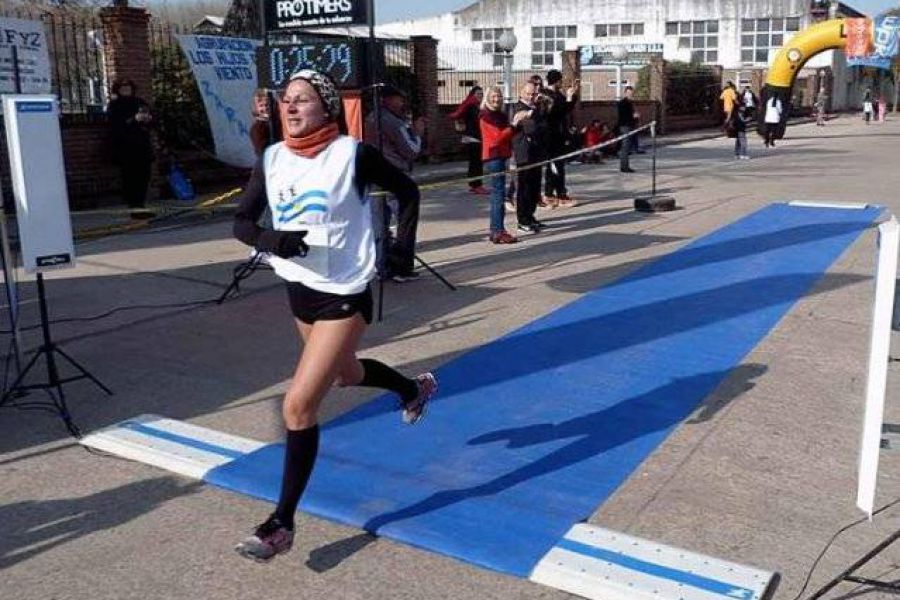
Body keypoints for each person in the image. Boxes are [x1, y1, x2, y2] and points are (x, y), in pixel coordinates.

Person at [232, 69, 438, 562]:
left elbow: (408, 192)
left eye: (303, 100)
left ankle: (280, 524)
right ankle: (412, 388)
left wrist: (400, 253)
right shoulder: (273, 159)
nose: (292, 107)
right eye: (286, 100)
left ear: (326, 108)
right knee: (345, 374)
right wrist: (269, 239)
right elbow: (240, 221)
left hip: (345, 293)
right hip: (299, 290)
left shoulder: (352, 155)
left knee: (298, 406)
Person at [364, 85, 426, 282]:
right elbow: (411, 150)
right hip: (393, 175)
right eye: (399, 98)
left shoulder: (369, 118)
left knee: (378, 223)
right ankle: (401, 266)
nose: (402, 103)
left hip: (372, 175)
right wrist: (418, 133)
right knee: (405, 217)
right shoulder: (392, 122)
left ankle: (381, 266)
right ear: (387, 99)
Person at [107, 79, 154, 216]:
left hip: (142, 146)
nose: (126, 90)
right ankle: (134, 207)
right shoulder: (115, 105)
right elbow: (116, 126)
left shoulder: (139, 102)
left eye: (128, 87)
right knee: (130, 178)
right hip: (126, 148)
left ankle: (141, 205)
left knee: (144, 176)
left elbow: (152, 118)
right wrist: (134, 120)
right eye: (123, 87)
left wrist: (148, 118)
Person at [479, 85, 518, 245]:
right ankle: (497, 231)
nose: (496, 99)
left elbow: (506, 135)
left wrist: (514, 128)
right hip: (493, 157)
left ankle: (498, 229)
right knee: (498, 195)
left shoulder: (499, 115)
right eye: (493, 96)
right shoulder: (486, 116)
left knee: (499, 195)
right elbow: (497, 138)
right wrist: (513, 126)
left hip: (501, 156)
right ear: (487, 98)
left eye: (499, 96)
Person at [512, 81, 549, 234]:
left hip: (535, 153)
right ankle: (523, 220)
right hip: (524, 154)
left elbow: (544, 126)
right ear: (521, 93)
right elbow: (532, 129)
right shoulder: (520, 108)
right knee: (524, 187)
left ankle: (531, 215)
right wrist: (534, 116)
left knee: (534, 187)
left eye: (534, 94)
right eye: (528, 94)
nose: (531, 97)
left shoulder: (534, 108)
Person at [543, 69, 580, 208]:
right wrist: (569, 97)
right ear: (557, 80)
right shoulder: (547, 95)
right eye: (560, 80)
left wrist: (572, 95)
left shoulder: (557, 94)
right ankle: (557, 194)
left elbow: (566, 108)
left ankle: (554, 192)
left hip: (559, 134)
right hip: (551, 135)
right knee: (554, 165)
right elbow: (559, 111)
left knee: (558, 165)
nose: (561, 83)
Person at [450, 86, 488, 195]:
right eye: (478, 94)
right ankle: (477, 185)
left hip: (471, 137)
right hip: (474, 137)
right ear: (473, 94)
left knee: (473, 163)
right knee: (477, 163)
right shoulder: (473, 106)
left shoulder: (471, 105)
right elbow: (477, 121)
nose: (480, 95)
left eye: (481, 94)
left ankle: (473, 184)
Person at [617, 86, 638, 173]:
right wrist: (633, 117)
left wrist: (636, 118)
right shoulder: (623, 103)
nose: (630, 95)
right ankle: (624, 167)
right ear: (625, 93)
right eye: (629, 93)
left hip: (630, 126)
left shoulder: (630, 103)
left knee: (628, 147)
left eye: (631, 93)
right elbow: (624, 116)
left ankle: (625, 165)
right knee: (625, 147)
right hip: (625, 126)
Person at [249, 88, 272, 156]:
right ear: (256, 108)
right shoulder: (256, 129)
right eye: (261, 106)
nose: (265, 108)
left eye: (267, 104)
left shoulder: (276, 122)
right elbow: (261, 150)